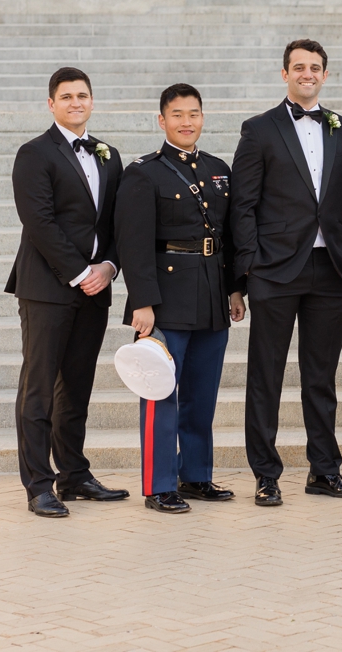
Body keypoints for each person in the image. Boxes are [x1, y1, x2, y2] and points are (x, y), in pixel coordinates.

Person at [231, 40, 342, 506]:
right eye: (299, 67)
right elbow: (242, 205)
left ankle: (324, 471)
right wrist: (245, 273)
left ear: (325, 75)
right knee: (265, 375)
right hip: (275, 269)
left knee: (321, 376)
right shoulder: (259, 129)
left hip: (332, 270)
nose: (307, 74)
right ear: (284, 73)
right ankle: (266, 474)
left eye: (315, 68)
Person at [115, 83, 244, 514]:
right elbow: (133, 244)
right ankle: (158, 485)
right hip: (165, 299)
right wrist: (142, 302)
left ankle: (196, 476)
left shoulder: (217, 168)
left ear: (203, 118)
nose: (186, 122)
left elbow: (225, 237)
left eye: (194, 114)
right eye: (177, 115)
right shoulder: (143, 172)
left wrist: (234, 289)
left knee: (201, 395)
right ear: (161, 120)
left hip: (210, 296)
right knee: (159, 393)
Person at [6, 67, 129, 518]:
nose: (76, 103)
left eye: (83, 95)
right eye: (66, 96)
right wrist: (81, 272)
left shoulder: (109, 155)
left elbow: (119, 223)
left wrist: (110, 266)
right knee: (38, 388)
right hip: (47, 288)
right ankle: (38, 484)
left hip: (96, 288)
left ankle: (73, 475)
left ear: (92, 101)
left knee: (76, 387)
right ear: (51, 104)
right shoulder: (35, 153)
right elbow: (39, 222)